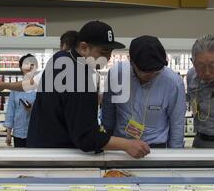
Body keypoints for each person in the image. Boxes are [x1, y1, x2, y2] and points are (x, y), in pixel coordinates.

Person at [27, 21, 151, 159]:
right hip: (59, 156)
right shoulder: (79, 76)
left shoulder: (61, 58)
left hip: (39, 147)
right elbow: (86, 138)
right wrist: (126, 144)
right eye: (103, 52)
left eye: (110, 52)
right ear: (84, 47)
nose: (108, 57)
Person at [102, 36, 186, 148]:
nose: (151, 75)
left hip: (155, 148)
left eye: (156, 71)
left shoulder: (173, 83)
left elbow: (177, 124)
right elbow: (108, 110)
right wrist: (109, 140)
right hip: (121, 146)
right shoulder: (117, 74)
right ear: (132, 62)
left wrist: (174, 156)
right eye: (145, 72)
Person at [0, 31, 78, 93]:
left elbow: (28, 85)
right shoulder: (86, 68)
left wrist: (4, 85)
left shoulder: (55, 67)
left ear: (63, 45)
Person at [4, 54, 37, 148]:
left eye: (32, 64)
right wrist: (8, 133)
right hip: (19, 133)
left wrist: (33, 109)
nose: (29, 67)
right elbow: (11, 111)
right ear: (21, 67)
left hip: (36, 132)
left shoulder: (41, 87)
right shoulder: (15, 88)